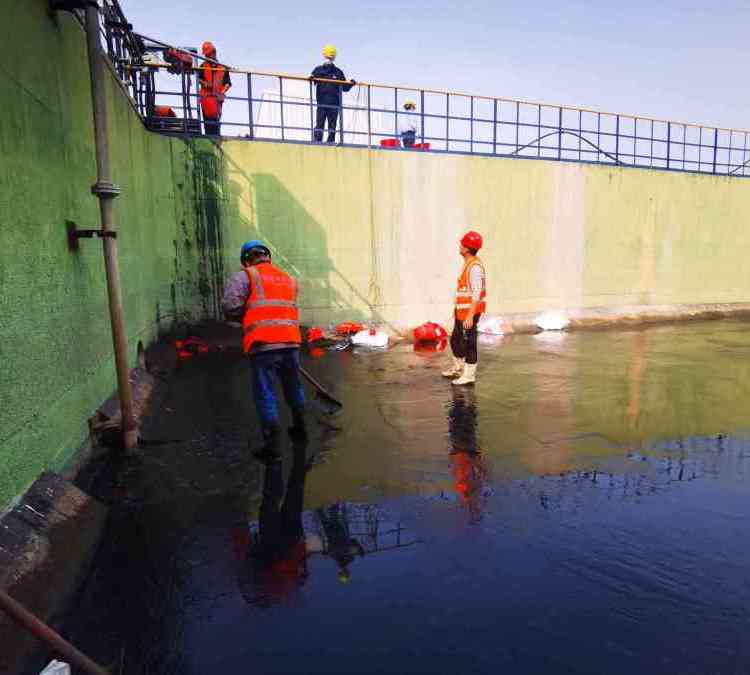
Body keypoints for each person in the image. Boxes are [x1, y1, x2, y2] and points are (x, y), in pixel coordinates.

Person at [221, 240, 306, 461]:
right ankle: (300, 428)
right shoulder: (288, 278)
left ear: (246, 260)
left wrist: (246, 318)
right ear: (268, 257)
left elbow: (230, 305)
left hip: (264, 345)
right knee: (293, 387)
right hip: (291, 342)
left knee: (265, 393)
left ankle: (273, 448)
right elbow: (286, 308)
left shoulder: (245, 276)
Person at [442, 230, 486, 385]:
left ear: (467, 248)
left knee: (469, 342)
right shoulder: (468, 263)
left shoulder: (474, 267)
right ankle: (459, 368)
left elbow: (476, 293)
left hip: (470, 313)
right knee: (455, 340)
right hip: (462, 311)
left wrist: (469, 316)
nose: (459, 245)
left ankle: (469, 375)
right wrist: (456, 310)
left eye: (462, 243)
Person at [310, 44, 356, 143]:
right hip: (328, 104)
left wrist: (351, 83)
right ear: (334, 56)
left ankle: (320, 141)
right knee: (329, 125)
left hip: (326, 103)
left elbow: (344, 87)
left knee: (323, 124)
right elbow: (345, 87)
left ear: (324, 54)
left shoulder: (319, 70)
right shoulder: (337, 72)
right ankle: (325, 141)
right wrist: (351, 83)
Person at [198, 41, 231, 137]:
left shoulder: (223, 68)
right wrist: (204, 83)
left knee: (216, 123)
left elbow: (228, 83)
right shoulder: (203, 66)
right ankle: (209, 139)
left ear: (214, 52)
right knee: (207, 124)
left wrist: (222, 92)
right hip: (206, 99)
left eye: (208, 54)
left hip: (217, 100)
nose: (207, 57)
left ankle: (216, 139)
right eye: (206, 55)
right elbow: (198, 78)